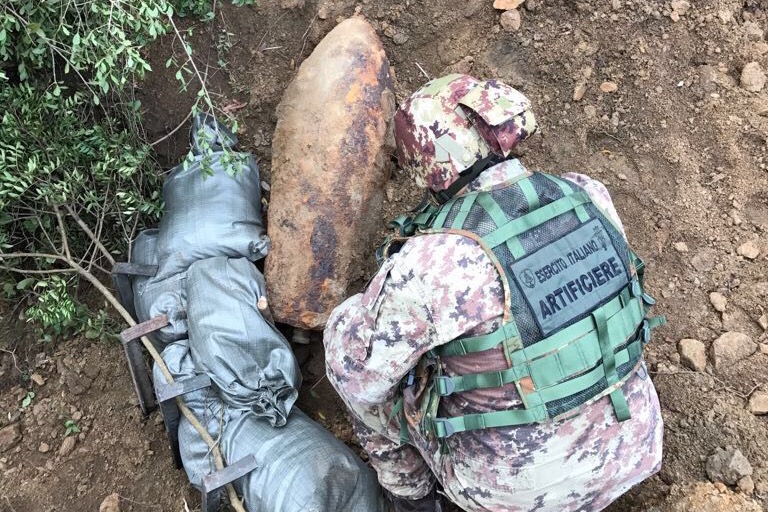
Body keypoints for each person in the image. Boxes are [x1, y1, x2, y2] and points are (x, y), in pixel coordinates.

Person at [323, 74, 664, 512]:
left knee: (372, 381)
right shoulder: (587, 194)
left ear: (425, 162)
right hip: (635, 444)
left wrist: (357, 311)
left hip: (515, 493)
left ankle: (411, 497)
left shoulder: (435, 262)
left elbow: (354, 372)